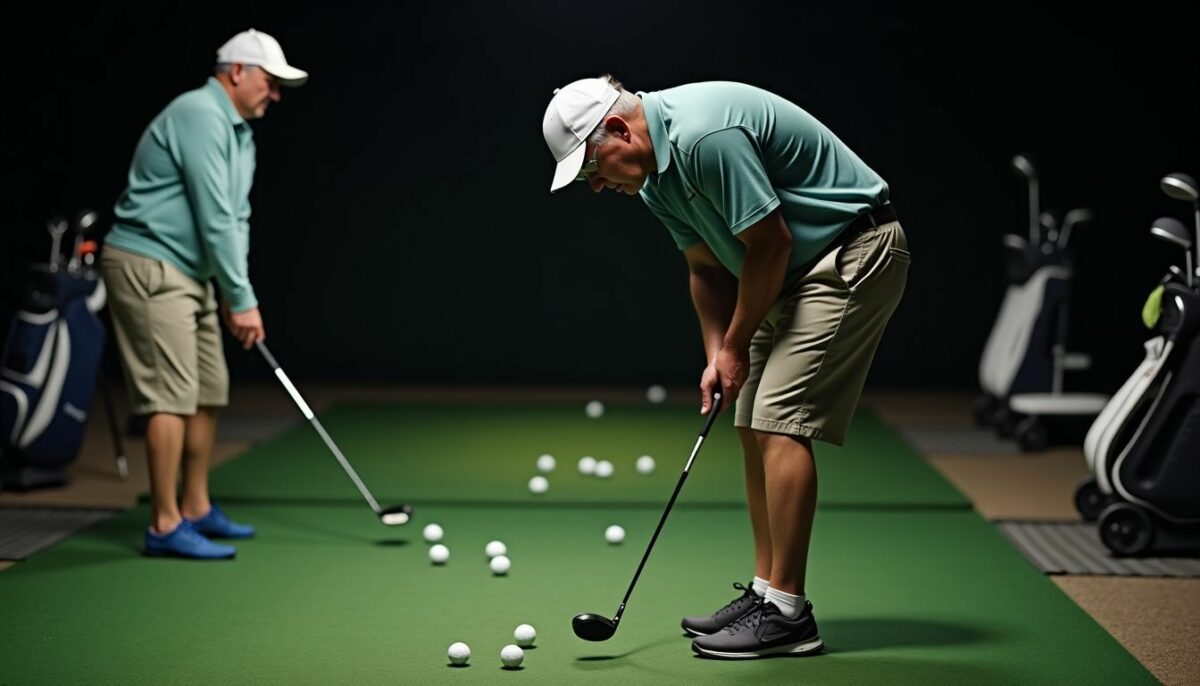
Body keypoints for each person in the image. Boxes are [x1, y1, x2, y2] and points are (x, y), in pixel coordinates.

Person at [542, 76, 909, 658]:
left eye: (592, 166)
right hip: (791, 276)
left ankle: (788, 614)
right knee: (748, 420)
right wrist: (717, 352)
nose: (595, 185)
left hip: (849, 252)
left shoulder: (703, 135)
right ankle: (766, 591)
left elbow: (769, 243)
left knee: (780, 420)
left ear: (617, 129)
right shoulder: (654, 182)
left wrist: (736, 345)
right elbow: (706, 268)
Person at [100, 29, 308, 560]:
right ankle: (164, 523)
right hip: (150, 262)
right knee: (170, 393)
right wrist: (241, 298)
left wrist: (230, 288)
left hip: (193, 272)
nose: (276, 95)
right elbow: (212, 213)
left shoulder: (241, 134)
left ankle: (194, 506)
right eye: (269, 81)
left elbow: (235, 220)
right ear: (236, 71)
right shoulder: (200, 113)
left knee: (208, 388)